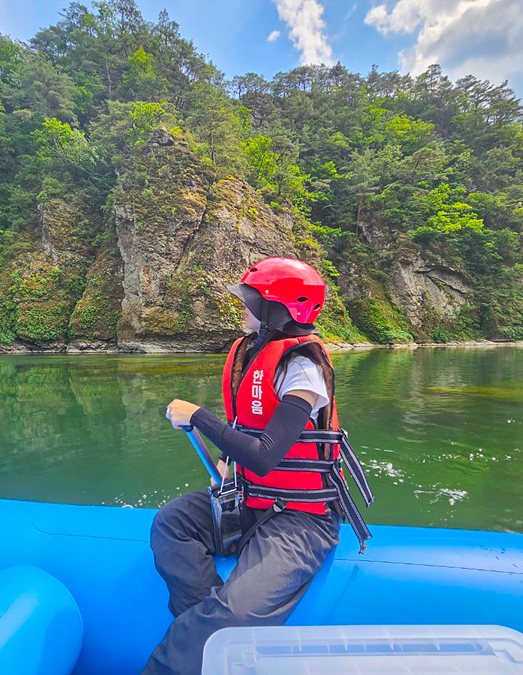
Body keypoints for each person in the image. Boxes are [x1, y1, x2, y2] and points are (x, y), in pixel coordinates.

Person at [140, 257, 373, 675]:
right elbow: (247, 425)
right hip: (249, 499)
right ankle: (212, 641)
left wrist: (198, 417)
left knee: (231, 615)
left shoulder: (303, 369)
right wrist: (228, 461)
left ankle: (195, 647)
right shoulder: (254, 351)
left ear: (277, 310)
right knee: (171, 523)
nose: (242, 308)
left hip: (301, 519)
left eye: (250, 300)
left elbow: (265, 455)